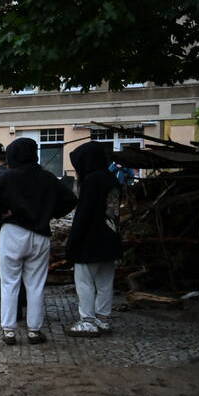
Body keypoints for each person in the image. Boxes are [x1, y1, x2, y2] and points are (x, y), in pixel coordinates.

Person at [0, 138, 77, 345]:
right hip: (40, 234)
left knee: (9, 283)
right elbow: (70, 200)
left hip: (12, 232)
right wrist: (50, 213)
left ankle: (9, 331)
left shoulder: (8, 176)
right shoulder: (47, 177)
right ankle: (34, 331)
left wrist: (0, 211)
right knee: (36, 285)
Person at [65, 142, 122, 337]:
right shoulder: (111, 178)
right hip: (111, 238)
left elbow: (84, 215)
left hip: (90, 241)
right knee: (105, 281)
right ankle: (103, 318)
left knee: (85, 281)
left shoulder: (91, 181)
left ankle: (87, 320)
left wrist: (72, 243)